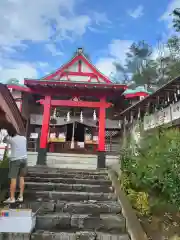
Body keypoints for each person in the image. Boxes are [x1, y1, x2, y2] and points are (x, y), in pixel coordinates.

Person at [3, 124, 27, 204]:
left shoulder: (10, 139)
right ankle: (21, 196)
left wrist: (5, 135)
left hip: (15, 160)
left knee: (13, 179)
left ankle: (12, 198)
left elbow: (4, 140)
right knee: (21, 178)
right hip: (24, 160)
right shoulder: (24, 138)